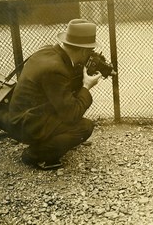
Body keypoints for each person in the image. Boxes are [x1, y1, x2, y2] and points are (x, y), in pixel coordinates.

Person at [8, 19, 103, 170]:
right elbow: (71, 115)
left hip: (25, 115)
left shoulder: (48, 51)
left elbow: (61, 90)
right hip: (25, 125)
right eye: (90, 51)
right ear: (84, 51)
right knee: (84, 127)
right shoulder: (55, 69)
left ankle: (49, 142)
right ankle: (35, 155)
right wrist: (86, 86)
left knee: (72, 122)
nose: (90, 54)